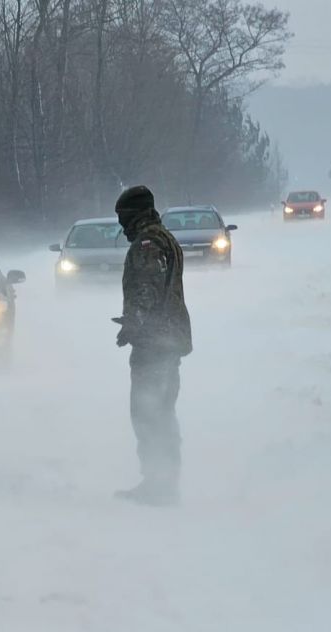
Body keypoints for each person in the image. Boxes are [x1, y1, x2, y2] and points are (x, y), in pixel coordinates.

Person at [112, 186, 192, 506]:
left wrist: (134, 323)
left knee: (148, 412)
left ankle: (158, 486)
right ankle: (165, 482)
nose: (121, 226)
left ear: (134, 214)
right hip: (167, 342)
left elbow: (147, 288)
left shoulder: (147, 243)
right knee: (162, 410)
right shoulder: (164, 237)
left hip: (154, 345)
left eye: (123, 218)